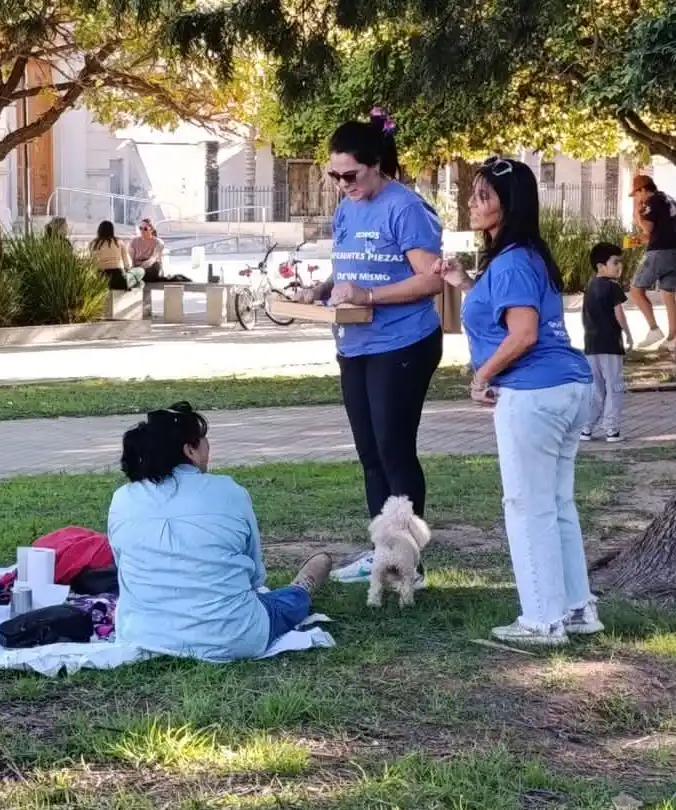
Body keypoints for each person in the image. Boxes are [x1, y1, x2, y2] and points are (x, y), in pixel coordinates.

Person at [436, 156, 600, 647]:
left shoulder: (510, 263)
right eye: (473, 193)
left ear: (508, 206)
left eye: (483, 196)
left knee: (526, 505)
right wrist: (465, 284)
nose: (472, 202)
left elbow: (523, 333)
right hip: (568, 387)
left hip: (534, 393)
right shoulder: (528, 256)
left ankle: (542, 620)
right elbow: (513, 310)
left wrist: (482, 375)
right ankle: (576, 609)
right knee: (555, 502)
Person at [295, 112, 444, 557]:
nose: (343, 183)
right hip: (354, 343)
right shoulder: (347, 207)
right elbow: (349, 270)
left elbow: (431, 280)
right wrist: (321, 289)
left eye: (351, 174)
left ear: (376, 163)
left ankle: (405, 556)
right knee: (370, 455)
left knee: (394, 450)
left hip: (402, 343)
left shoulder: (405, 207)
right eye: (334, 175)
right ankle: (382, 551)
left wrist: (369, 294)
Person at [107, 402, 332, 663]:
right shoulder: (229, 492)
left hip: (143, 633)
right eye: (203, 440)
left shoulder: (122, 499)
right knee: (288, 600)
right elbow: (256, 577)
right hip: (233, 636)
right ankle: (303, 586)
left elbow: (123, 566)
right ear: (190, 450)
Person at [580, 242, 633, 443]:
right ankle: (611, 429)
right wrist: (628, 334)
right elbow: (619, 313)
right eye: (615, 262)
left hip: (591, 344)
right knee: (614, 386)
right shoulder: (613, 287)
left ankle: (586, 427)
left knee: (597, 388)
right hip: (610, 344)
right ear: (601, 265)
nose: (619, 267)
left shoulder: (590, 286)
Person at [629, 175, 676, 350]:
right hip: (674, 252)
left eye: (637, 194)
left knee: (636, 290)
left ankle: (654, 329)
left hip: (658, 254)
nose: (638, 199)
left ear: (643, 189)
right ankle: (674, 338)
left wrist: (637, 213)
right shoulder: (670, 201)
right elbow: (657, 233)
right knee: (669, 296)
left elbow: (648, 228)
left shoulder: (653, 201)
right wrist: (641, 240)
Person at [90, 221, 143, 291]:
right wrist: (128, 271)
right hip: (119, 280)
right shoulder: (119, 242)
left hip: (101, 281)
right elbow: (126, 263)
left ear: (99, 230)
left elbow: (92, 264)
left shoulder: (93, 243)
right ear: (112, 230)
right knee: (140, 270)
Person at [129, 218, 167, 283]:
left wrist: (139, 269)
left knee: (154, 267)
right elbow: (131, 260)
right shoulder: (134, 241)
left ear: (151, 230)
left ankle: (136, 277)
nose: (142, 231)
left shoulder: (158, 242)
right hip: (137, 268)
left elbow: (153, 259)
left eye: (145, 229)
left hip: (151, 267)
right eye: (140, 228)